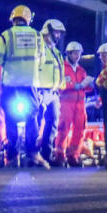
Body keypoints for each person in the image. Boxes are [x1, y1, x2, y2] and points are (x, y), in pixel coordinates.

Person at [0, 5, 48, 168]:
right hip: (30, 84)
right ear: (28, 18)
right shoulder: (38, 36)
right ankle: (32, 152)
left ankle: (11, 155)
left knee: (10, 117)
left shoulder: (6, 35)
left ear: (13, 19)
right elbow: (42, 61)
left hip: (10, 84)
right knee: (32, 117)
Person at [54, 41, 93, 167]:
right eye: (75, 53)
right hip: (66, 103)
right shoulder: (62, 68)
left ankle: (73, 155)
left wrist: (89, 85)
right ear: (69, 54)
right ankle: (59, 155)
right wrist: (74, 86)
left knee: (79, 129)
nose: (77, 56)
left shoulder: (81, 70)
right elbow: (60, 84)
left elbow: (85, 87)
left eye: (79, 53)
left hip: (80, 104)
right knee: (63, 127)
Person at [37, 18, 67, 166]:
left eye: (59, 33)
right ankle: (33, 155)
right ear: (47, 32)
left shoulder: (56, 52)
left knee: (52, 124)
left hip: (54, 93)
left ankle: (46, 155)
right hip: (41, 92)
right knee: (36, 123)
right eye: (56, 32)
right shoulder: (39, 49)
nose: (58, 35)